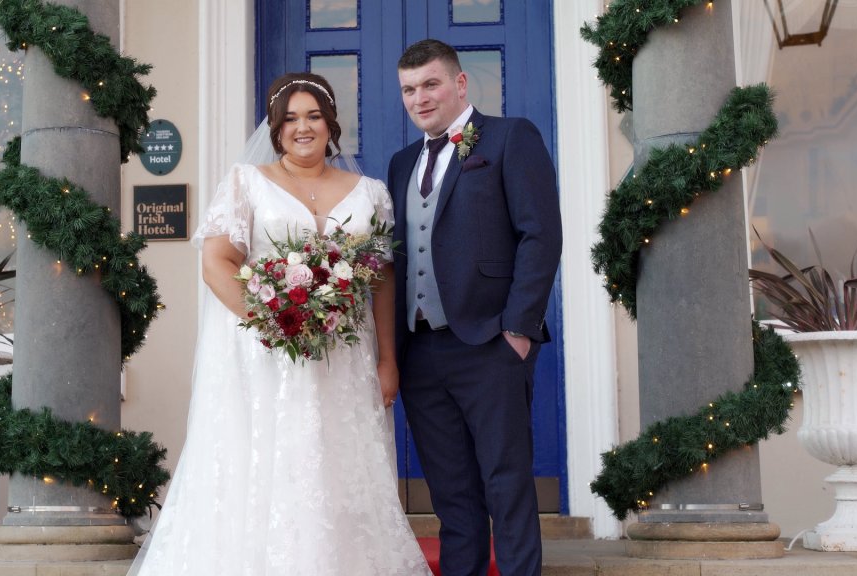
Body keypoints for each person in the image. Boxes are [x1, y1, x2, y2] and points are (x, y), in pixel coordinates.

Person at [128, 72, 432, 575]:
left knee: (337, 467)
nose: (303, 127)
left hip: (343, 360)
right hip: (266, 359)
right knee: (267, 466)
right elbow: (216, 263)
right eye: (290, 118)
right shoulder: (245, 183)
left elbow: (380, 280)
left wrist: (387, 360)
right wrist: (275, 323)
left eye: (314, 115)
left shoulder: (371, 193)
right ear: (275, 128)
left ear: (331, 123)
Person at [387, 39, 563, 576]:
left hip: (490, 343)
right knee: (452, 495)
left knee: (506, 484)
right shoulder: (400, 164)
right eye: (409, 89)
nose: (420, 98)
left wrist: (518, 329)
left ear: (460, 84)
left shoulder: (511, 138)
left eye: (431, 84)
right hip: (421, 352)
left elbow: (540, 235)